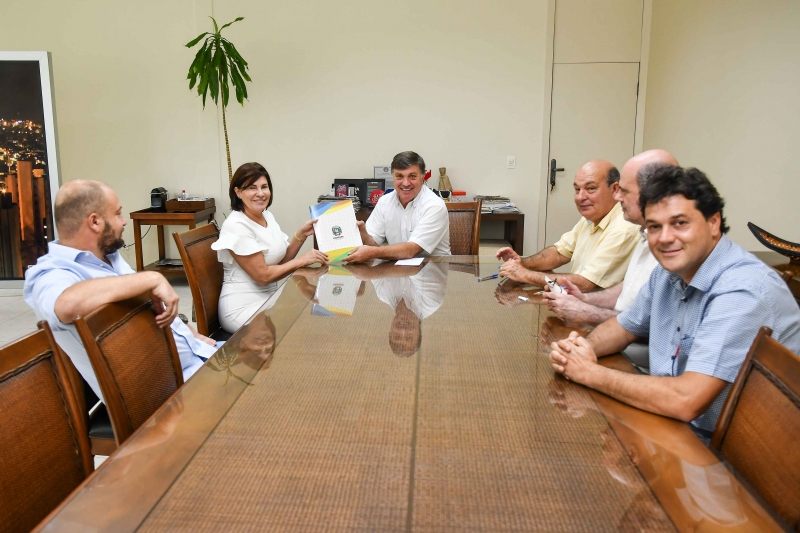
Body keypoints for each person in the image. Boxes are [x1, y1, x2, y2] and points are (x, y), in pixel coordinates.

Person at [548, 166, 800, 441]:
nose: (665, 238)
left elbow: (686, 399)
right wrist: (580, 349)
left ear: (713, 222)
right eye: (655, 226)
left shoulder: (742, 291)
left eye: (680, 223)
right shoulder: (669, 271)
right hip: (677, 428)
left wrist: (589, 372)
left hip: (736, 454)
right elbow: (624, 326)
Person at [24, 180, 219, 402]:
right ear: (95, 222)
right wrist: (151, 277)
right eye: (117, 214)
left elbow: (145, 309)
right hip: (176, 395)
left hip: (199, 358)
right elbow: (65, 304)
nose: (124, 221)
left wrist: (188, 331)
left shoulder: (109, 256)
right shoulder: (49, 274)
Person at [543, 150, 679, 326]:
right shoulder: (646, 233)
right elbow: (628, 291)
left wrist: (586, 311)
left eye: (624, 191)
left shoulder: (673, 246)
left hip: (634, 346)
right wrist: (583, 298)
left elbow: (651, 325)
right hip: (619, 331)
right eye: (577, 189)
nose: (617, 196)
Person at [212, 162, 328, 332]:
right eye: (252, 188)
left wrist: (301, 235)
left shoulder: (266, 215)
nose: (260, 193)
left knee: (308, 311)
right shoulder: (236, 225)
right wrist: (302, 260)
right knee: (302, 319)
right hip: (242, 308)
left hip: (269, 298)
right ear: (238, 192)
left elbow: (281, 262)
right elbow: (264, 276)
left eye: (264, 187)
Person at [497, 160, 639, 291]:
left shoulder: (624, 228)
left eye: (590, 188)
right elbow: (559, 253)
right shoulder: (592, 217)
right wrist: (522, 262)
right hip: (577, 302)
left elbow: (586, 284)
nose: (580, 197)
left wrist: (525, 274)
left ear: (615, 189)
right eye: (577, 190)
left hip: (600, 311)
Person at [346, 151, 450, 263]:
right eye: (399, 176)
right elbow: (373, 244)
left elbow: (411, 250)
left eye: (412, 176)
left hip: (432, 271)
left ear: (422, 178)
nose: (405, 183)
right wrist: (363, 234)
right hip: (396, 272)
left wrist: (372, 252)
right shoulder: (384, 202)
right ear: (393, 177)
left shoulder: (434, 205)